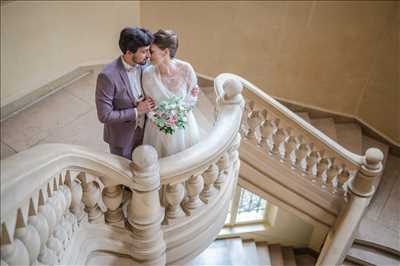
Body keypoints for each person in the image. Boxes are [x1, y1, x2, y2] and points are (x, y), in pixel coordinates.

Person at [95, 27, 155, 160]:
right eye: (144, 51)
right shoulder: (107, 76)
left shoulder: (145, 66)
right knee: (124, 172)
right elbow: (104, 115)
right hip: (122, 137)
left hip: (147, 131)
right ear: (128, 52)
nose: (148, 55)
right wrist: (136, 111)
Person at [142, 29, 200, 158]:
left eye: (151, 51)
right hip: (158, 129)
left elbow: (193, 96)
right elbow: (149, 106)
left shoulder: (186, 69)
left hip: (184, 127)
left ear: (166, 52)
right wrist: (163, 122)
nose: (147, 55)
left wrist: (178, 117)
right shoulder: (147, 74)